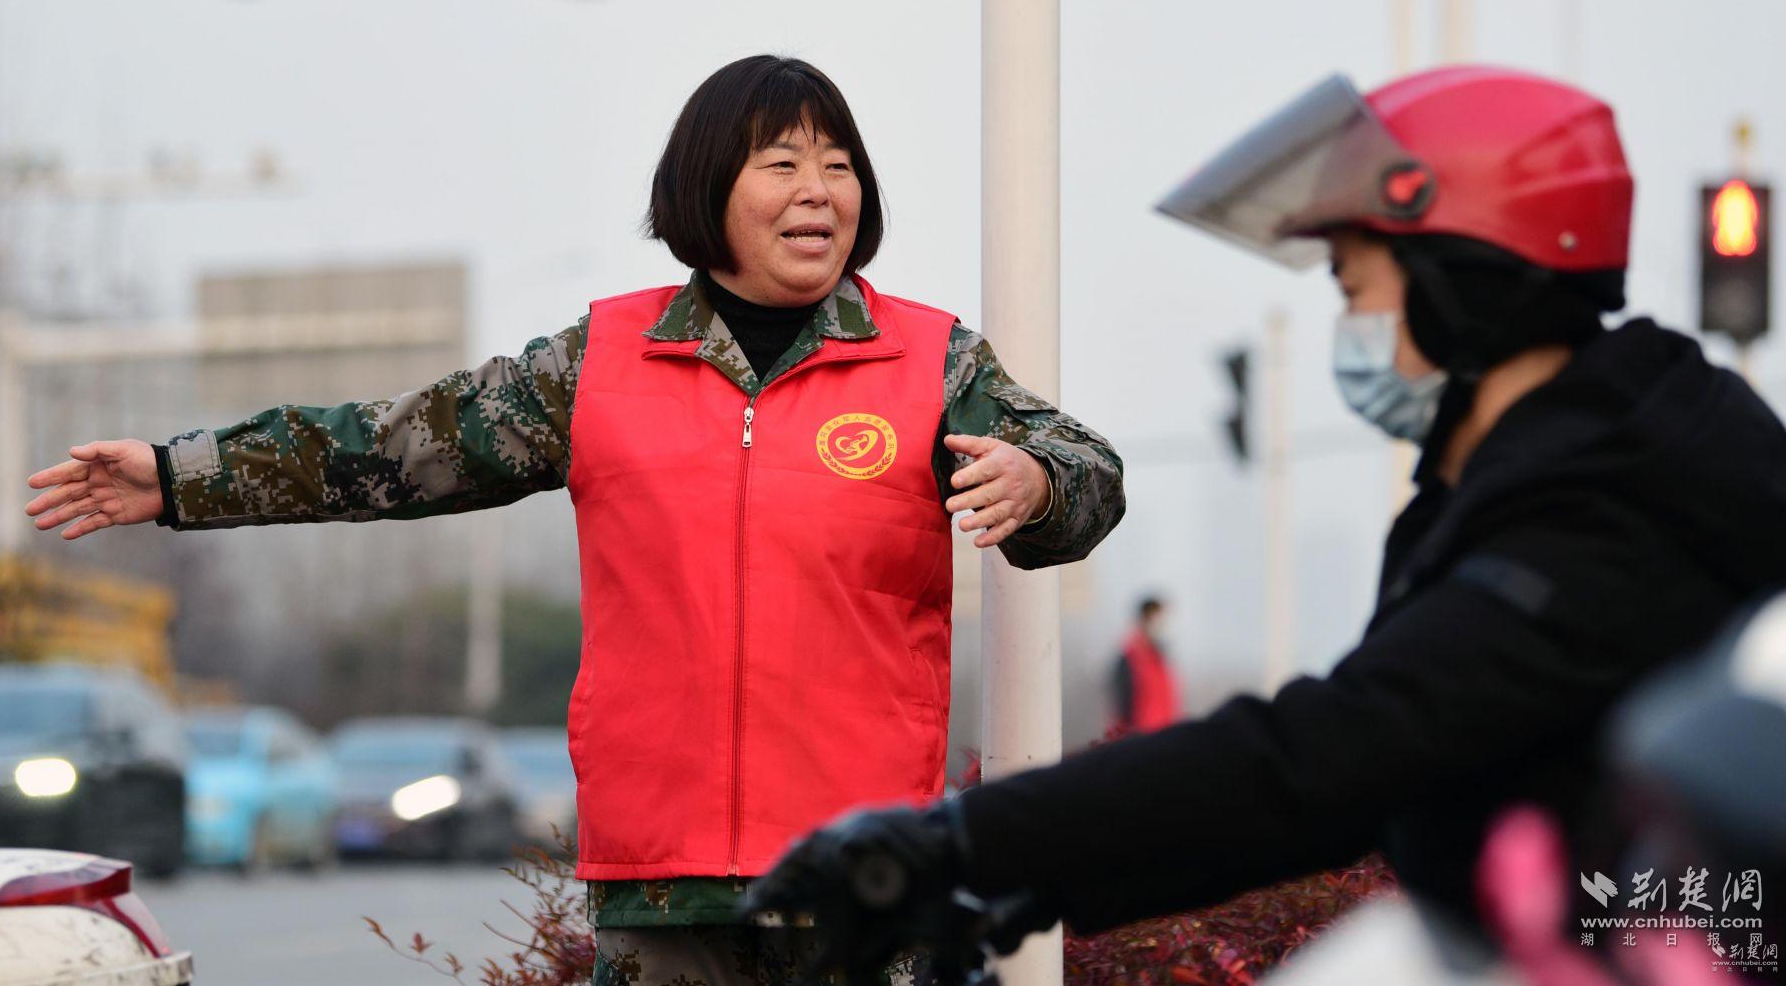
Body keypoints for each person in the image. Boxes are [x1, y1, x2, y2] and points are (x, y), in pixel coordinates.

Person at [22, 54, 1126, 985]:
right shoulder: (600, 363)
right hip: (661, 882)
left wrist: (1036, 484)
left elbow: (1090, 470)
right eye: (783, 162)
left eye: (839, 166)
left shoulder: (930, 363)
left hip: (866, 879)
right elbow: (393, 446)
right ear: (707, 186)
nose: (819, 190)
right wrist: (178, 476)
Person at [744, 65, 1786, 975]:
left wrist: (967, 842)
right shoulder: (1583, 461)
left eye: (1357, 287)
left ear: (1463, 291)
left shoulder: (1612, 514)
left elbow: (1332, 754)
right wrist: (1028, 874)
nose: (1353, 326)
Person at [1109, 595, 1182, 736]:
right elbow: (1121, 709)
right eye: (1156, 619)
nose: (1161, 625)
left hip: (1164, 738)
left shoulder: (1160, 659)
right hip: (1140, 740)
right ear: (1143, 620)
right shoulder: (1129, 660)